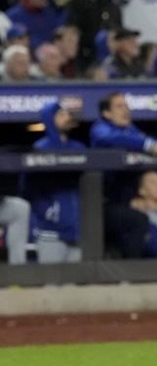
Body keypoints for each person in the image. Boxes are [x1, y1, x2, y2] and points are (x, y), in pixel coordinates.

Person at [90, 91, 157, 258]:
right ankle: (129, 271)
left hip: (125, 203)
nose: (125, 110)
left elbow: (145, 139)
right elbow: (113, 139)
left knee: (152, 229)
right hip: (100, 205)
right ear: (106, 113)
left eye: (126, 106)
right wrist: (148, 145)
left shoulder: (129, 129)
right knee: (138, 221)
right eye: (119, 107)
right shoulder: (100, 129)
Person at [24, 102, 84, 263]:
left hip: (77, 232)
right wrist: (48, 211)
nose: (67, 118)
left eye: (67, 114)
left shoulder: (78, 148)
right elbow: (28, 188)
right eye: (61, 115)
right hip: (49, 233)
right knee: (51, 285)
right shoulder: (40, 148)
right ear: (50, 119)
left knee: (78, 284)